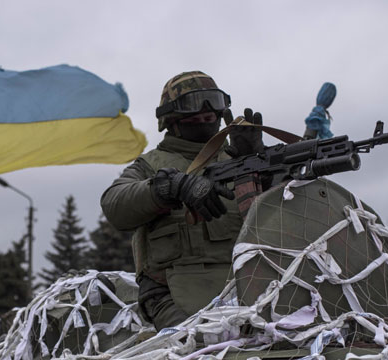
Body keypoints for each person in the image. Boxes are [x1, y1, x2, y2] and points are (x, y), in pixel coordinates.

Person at [101, 71, 265, 330]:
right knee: (206, 344)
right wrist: (171, 187)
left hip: (250, 286)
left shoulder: (236, 157)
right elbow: (114, 204)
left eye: (211, 108)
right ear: (171, 119)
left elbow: (284, 212)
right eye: (194, 111)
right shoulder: (151, 165)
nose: (205, 116)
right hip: (173, 294)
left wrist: (259, 164)